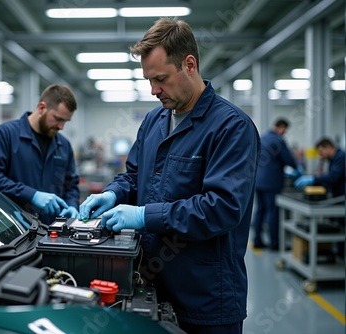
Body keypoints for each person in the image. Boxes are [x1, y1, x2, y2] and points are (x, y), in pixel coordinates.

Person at [79, 18, 260, 334]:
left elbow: (222, 207)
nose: (153, 90)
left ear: (189, 64)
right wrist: (113, 193)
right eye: (149, 79)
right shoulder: (154, 121)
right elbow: (134, 175)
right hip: (150, 288)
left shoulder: (232, 127)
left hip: (205, 301)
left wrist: (144, 215)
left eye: (160, 78)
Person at [0, 84, 80, 225]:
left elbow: (71, 185)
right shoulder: (5, 134)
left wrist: (72, 205)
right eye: (58, 119)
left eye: (65, 121)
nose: (61, 127)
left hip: (51, 230)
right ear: (41, 108)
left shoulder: (64, 145)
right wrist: (31, 195)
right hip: (13, 228)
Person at [253, 119, 299, 250]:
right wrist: (297, 168)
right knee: (273, 211)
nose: (285, 132)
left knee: (260, 210)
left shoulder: (261, 138)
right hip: (272, 183)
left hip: (258, 181)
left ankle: (257, 240)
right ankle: (274, 243)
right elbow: (288, 159)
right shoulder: (278, 140)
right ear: (282, 127)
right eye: (285, 129)